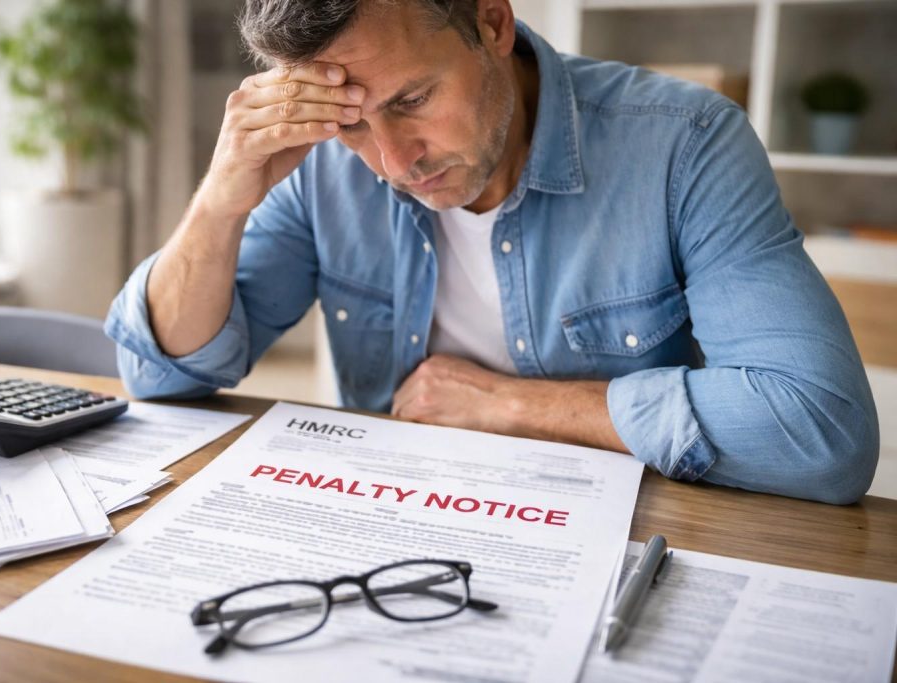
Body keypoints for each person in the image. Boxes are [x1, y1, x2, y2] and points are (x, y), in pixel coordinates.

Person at [105, 0, 879, 504]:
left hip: (628, 543)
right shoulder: (327, 169)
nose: (394, 161)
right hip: (402, 533)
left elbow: (820, 431)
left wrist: (511, 405)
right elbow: (161, 373)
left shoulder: (685, 144)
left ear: (492, 22)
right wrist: (222, 198)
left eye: (411, 101)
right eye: (351, 122)